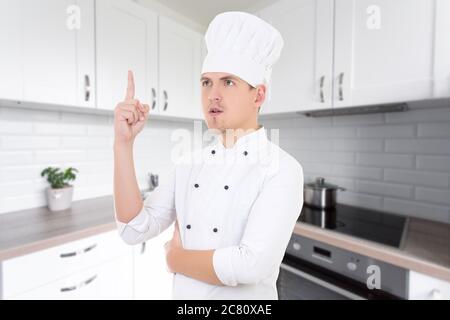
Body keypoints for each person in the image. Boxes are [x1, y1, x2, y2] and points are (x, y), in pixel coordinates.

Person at [113, 11, 304, 299]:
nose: (213, 95)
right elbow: (133, 229)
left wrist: (173, 259)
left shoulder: (282, 169)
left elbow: (250, 266)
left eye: (228, 82)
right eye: (206, 82)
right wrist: (123, 145)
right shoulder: (188, 164)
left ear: (258, 95)